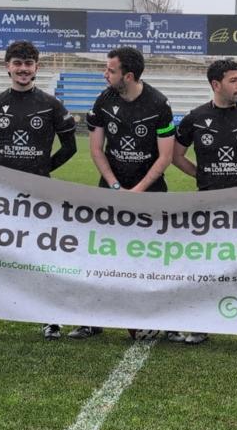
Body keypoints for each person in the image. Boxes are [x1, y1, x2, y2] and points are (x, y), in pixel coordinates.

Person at [0, 40, 77, 339]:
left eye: (28, 63)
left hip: (39, 195)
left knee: (42, 256)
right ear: (8, 67)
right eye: (17, 63)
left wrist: (43, 171)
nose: (23, 69)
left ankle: (50, 317)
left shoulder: (51, 105)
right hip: (1, 196)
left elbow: (70, 147)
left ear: (36, 67)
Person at [67, 46, 175, 341]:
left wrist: (138, 191)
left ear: (128, 75)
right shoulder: (103, 100)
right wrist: (116, 187)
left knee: (153, 258)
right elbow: (95, 150)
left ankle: (159, 318)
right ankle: (92, 319)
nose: (106, 74)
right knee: (102, 256)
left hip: (151, 193)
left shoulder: (159, 104)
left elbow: (165, 157)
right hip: (111, 192)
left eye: (111, 70)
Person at [172, 58, 237, 347]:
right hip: (207, 205)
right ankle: (201, 324)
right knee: (206, 265)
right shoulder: (194, 118)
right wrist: (200, 175)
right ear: (216, 85)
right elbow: (176, 156)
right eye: (234, 80)